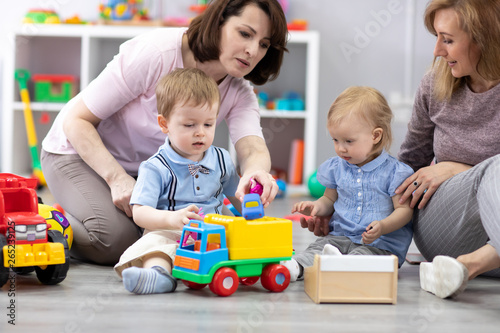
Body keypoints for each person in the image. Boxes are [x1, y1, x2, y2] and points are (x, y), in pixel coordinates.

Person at [40, 0, 287, 265]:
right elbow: (76, 121)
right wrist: (117, 178)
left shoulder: (239, 89)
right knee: (116, 242)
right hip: (76, 153)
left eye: (263, 44)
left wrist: (255, 172)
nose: (252, 51)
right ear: (219, 22)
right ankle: (46, 222)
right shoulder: (157, 53)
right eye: (245, 34)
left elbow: (252, 147)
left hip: (145, 172)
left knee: (163, 235)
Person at [395, 0, 500, 299]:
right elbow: (407, 168)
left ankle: (471, 265)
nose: (437, 51)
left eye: (448, 40)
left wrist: (456, 167)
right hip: (446, 224)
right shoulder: (433, 84)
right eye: (437, 37)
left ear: (484, 38)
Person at [114, 67, 240, 294]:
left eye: (208, 124)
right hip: (173, 232)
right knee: (156, 249)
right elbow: (140, 213)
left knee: (243, 242)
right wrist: (172, 219)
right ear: (165, 124)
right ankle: (157, 275)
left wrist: (254, 210)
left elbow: (236, 195)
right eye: (190, 125)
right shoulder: (156, 167)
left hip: (216, 232)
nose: (200, 132)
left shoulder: (222, 159)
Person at [283, 86, 414, 281]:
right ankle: (297, 267)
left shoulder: (395, 172)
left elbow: (405, 211)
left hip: (380, 244)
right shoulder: (337, 167)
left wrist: (383, 226)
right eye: (335, 140)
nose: (340, 148)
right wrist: (316, 207)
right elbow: (329, 198)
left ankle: (339, 266)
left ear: (375, 136)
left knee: (364, 259)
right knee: (317, 248)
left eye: (349, 141)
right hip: (340, 236)